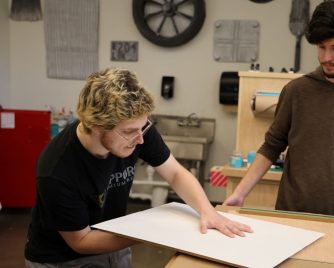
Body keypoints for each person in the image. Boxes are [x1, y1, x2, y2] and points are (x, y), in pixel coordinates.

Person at [25, 68, 252, 267]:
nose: (140, 139)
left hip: (113, 239)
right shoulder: (56, 171)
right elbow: (81, 242)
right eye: (129, 132)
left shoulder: (137, 128)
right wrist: (152, 233)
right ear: (95, 125)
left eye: (143, 127)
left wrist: (208, 212)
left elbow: (174, 172)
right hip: (61, 259)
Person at [224, 0, 334, 223]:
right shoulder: (296, 91)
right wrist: (240, 194)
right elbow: (272, 145)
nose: (326, 57)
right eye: (321, 47)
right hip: (290, 214)